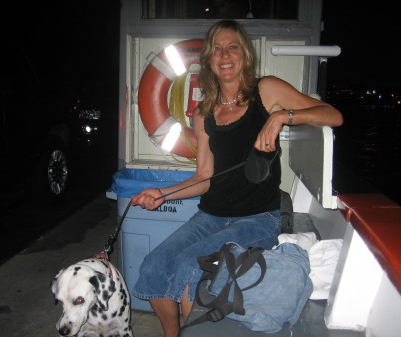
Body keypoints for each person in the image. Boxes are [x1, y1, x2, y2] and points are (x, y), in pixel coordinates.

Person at [131, 19, 343, 337]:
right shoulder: (202, 113)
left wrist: (281, 116)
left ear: (244, 55)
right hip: (211, 216)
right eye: (217, 48)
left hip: (258, 219)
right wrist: (161, 195)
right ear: (209, 59)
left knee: (190, 265)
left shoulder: (266, 90)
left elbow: (333, 115)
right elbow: (204, 176)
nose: (225, 54)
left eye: (232, 47)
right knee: (154, 265)